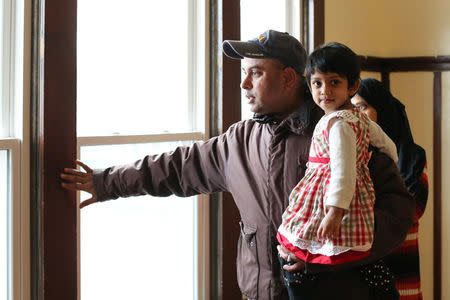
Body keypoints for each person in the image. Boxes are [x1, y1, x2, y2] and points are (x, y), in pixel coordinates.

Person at [61, 30, 414, 300]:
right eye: (244, 73)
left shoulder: (343, 131)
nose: (243, 84)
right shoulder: (238, 141)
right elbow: (173, 167)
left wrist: (326, 254)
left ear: (290, 79)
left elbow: (398, 213)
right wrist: (104, 182)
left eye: (255, 73)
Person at [276, 42, 399, 299]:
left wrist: (334, 211)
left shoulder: (339, 123)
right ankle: (380, 282)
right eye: (317, 83)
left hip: (332, 197)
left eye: (334, 82)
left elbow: (343, 168)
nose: (325, 91)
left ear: (352, 86)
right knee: (340, 249)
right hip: (344, 195)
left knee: (299, 244)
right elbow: (387, 146)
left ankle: (299, 286)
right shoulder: (359, 118)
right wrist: (390, 161)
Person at [352, 78, 428, 300]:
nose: (356, 116)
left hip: (400, 270)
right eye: (352, 109)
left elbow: (410, 212)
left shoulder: (412, 157)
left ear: (382, 109)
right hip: (359, 272)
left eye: (362, 107)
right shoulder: (352, 154)